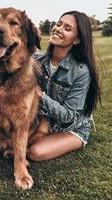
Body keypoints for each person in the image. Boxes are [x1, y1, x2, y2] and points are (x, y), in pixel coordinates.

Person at [28, 11, 101, 161]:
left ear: (77, 40)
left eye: (67, 29)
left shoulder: (81, 71)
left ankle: (71, 139)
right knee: (12, 142)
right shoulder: (36, 59)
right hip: (43, 122)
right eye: (58, 24)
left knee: (34, 152)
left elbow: (68, 115)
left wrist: (39, 95)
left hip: (71, 127)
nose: (58, 29)